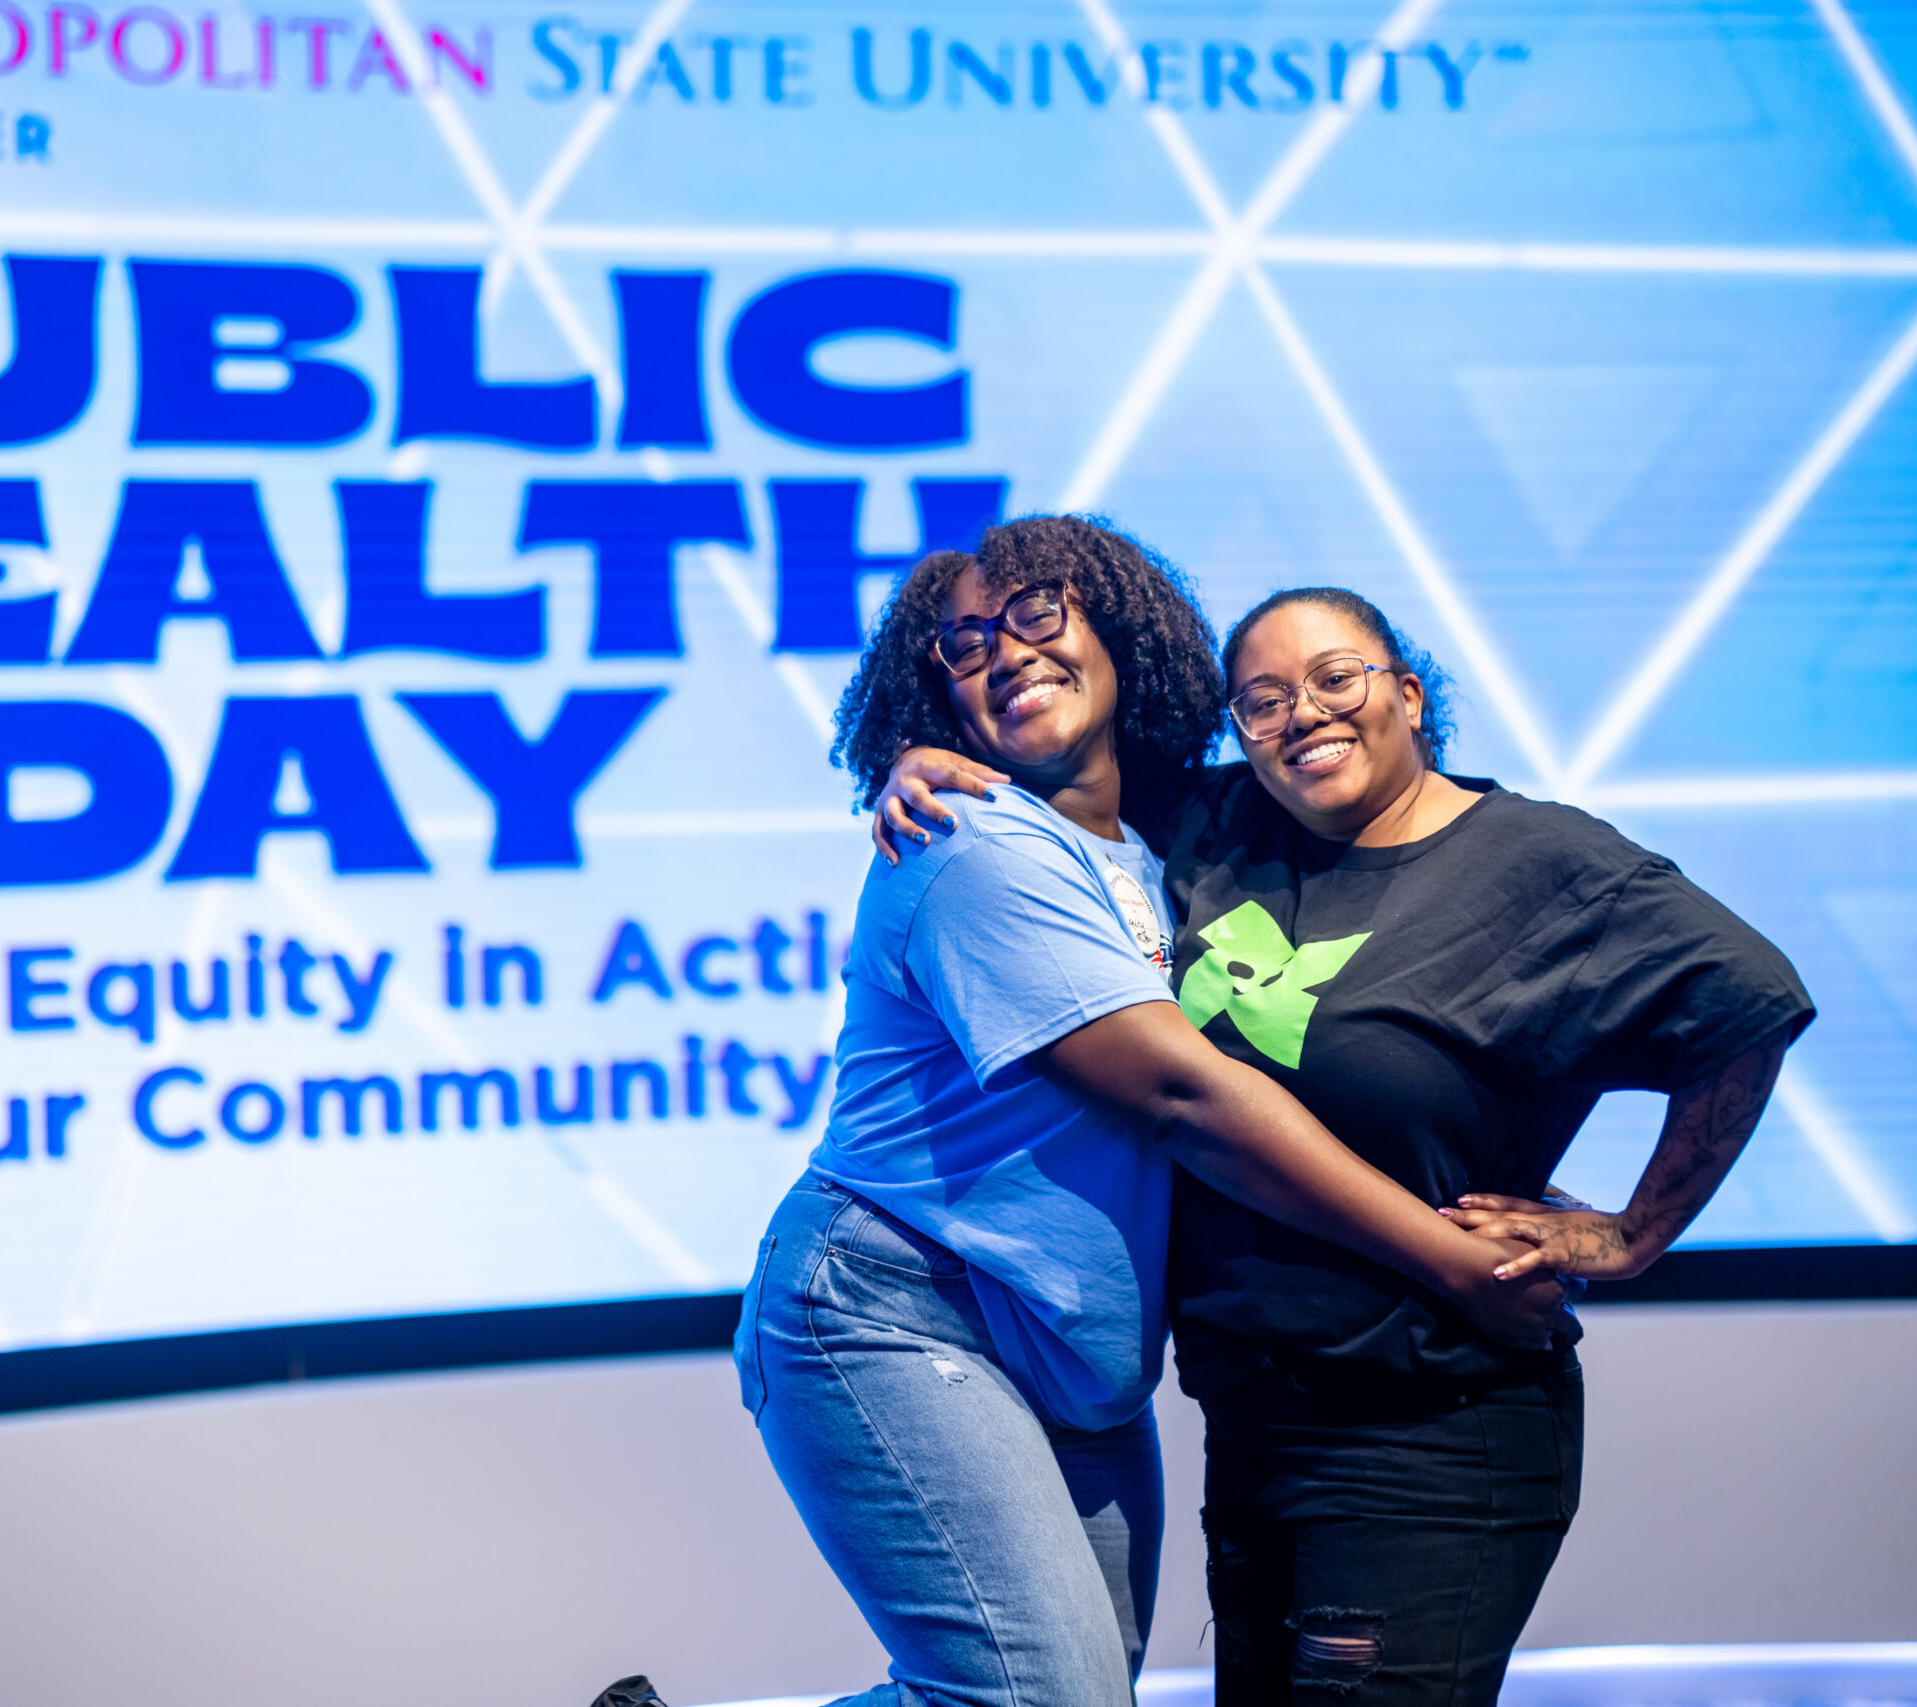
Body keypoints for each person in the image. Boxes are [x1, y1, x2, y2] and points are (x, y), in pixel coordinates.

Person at [600, 521, 1565, 1707]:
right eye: (963, 645)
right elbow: (1183, 1095)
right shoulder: (969, 843)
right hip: (900, 1310)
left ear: (1123, 636)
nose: (1002, 651)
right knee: (1033, 1703)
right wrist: (1449, 1259)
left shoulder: (1167, 839)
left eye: (1036, 615)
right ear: (937, 695)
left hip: (1071, 1349)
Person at [874, 581, 1813, 1707]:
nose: (1301, 716)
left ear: (1409, 696)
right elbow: (1062, 765)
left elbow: (1749, 1003)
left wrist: (1632, 1232)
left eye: (1335, 679)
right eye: (1260, 702)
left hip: (1425, 1427)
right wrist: (916, 760)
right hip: (1254, 1422)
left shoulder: (1542, 867)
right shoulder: (1219, 830)